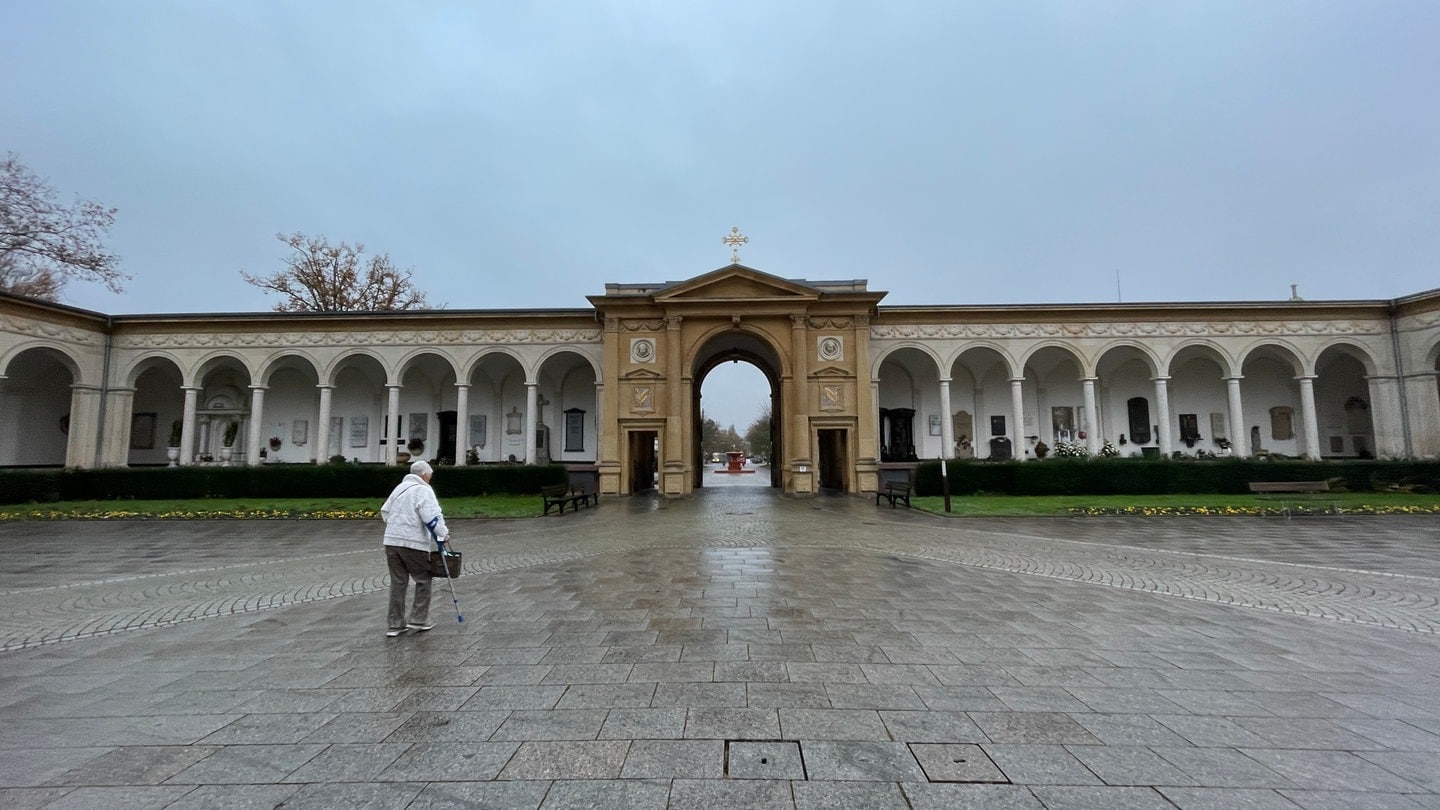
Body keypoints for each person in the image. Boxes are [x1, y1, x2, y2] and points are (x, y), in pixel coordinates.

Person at [380, 459, 451, 637]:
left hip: (391, 541)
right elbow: (432, 517)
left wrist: (396, 528)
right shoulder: (424, 490)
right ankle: (418, 620)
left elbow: (385, 511)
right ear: (424, 475)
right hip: (412, 543)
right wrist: (443, 534)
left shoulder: (399, 488)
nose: (430, 478)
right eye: (430, 475)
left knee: (398, 582)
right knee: (423, 578)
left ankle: (395, 625)